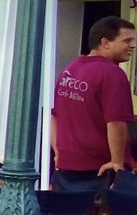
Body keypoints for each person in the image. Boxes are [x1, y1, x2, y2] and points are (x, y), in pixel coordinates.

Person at [52, 16, 137, 194]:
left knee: (71, 211)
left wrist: (58, 152)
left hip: (67, 170)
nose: (133, 45)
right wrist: (117, 162)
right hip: (100, 169)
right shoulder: (112, 73)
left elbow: (54, 115)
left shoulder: (71, 68)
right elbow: (116, 122)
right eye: (127, 41)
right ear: (105, 43)